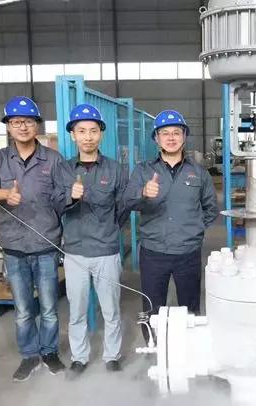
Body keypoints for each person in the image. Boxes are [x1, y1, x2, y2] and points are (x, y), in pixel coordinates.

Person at [0, 96, 66, 381]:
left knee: (49, 308)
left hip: (45, 245)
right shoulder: (0, 159)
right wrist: (5, 194)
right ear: (8, 127)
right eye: (16, 122)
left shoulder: (53, 159)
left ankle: (49, 352)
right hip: (14, 246)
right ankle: (30, 355)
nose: (22, 127)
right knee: (23, 310)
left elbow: (64, 197)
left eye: (28, 121)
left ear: (36, 125)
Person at [123, 110, 219, 335]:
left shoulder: (198, 173)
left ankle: (189, 344)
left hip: (188, 253)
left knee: (190, 307)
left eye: (176, 132)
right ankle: (153, 345)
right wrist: (143, 192)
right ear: (156, 139)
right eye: (165, 133)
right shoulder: (143, 171)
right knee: (152, 307)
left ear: (184, 136)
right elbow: (127, 201)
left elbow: (211, 208)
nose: (171, 137)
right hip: (153, 251)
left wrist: (193, 230)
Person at [53, 104, 129, 379]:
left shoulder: (115, 169)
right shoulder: (63, 169)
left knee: (111, 309)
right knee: (77, 310)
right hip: (75, 252)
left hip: (106, 250)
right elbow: (55, 205)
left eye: (93, 131)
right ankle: (79, 357)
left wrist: (108, 230)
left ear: (101, 134)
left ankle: (112, 356)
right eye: (82, 131)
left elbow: (123, 207)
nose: (88, 136)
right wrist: (71, 197)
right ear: (73, 135)